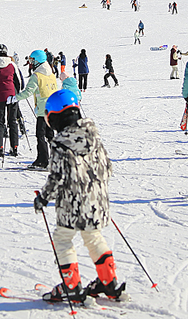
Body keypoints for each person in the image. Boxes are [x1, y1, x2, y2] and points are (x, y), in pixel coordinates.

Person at [33, 90, 127, 303]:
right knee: (93, 236)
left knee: (63, 238)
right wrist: (95, 190)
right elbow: (107, 167)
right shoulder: (94, 135)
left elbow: (57, 177)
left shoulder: (60, 142)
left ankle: (72, 286)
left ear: (55, 117)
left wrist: (43, 198)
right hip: (97, 199)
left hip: (72, 203)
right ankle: (108, 280)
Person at [15, 49, 59, 169]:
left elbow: (28, 92)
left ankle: (43, 161)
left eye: (33, 60)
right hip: (52, 109)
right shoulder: (51, 73)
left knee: (40, 134)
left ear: (38, 60)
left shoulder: (37, 75)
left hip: (42, 110)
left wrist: (15, 98)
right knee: (50, 135)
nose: (31, 63)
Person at [0, 44, 22, 157]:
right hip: (12, 95)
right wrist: (18, 94)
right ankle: (14, 147)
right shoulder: (12, 64)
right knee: (12, 121)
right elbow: (19, 81)